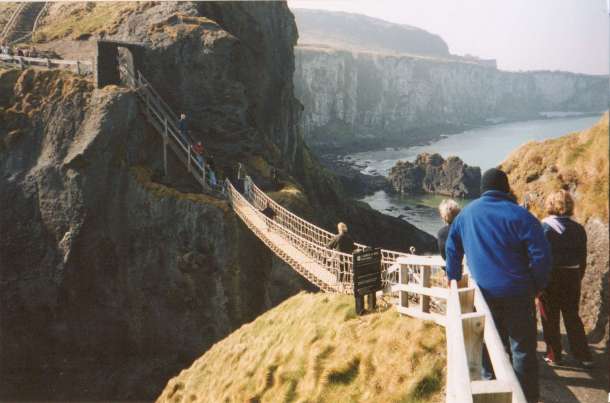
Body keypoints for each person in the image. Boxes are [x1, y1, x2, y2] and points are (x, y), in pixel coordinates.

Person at [445, 168, 551, 403]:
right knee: (522, 350)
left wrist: (452, 276)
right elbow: (542, 256)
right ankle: (526, 398)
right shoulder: (521, 216)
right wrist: (536, 285)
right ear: (506, 188)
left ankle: (491, 388)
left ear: (482, 189)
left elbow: (452, 248)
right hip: (519, 292)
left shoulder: (466, 215)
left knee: (488, 344)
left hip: (483, 294)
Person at [538, 190, 593, 368]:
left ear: (551, 205)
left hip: (550, 276)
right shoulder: (578, 229)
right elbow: (582, 259)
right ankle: (583, 355)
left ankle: (554, 355)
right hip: (572, 275)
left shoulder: (543, 227)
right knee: (572, 316)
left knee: (549, 317)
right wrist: (578, 276)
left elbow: (538, 257)